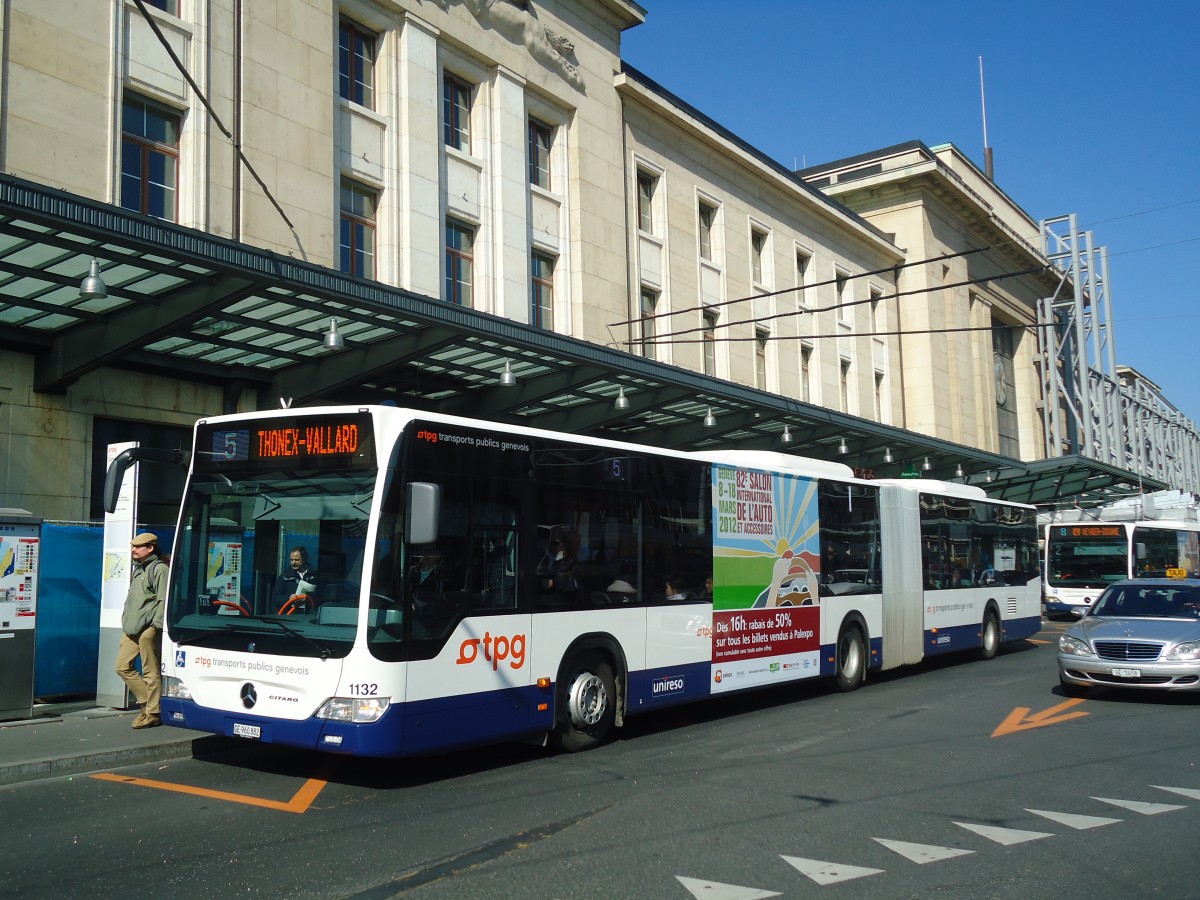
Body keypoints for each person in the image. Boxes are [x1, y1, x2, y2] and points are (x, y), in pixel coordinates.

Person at [115, 532, 169, 729]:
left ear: (151, 548)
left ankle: (152, 713)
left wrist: (154, 627)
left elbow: (164, 600)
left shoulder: (160, 569)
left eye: (138, 546)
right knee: (122, 666)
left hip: (148, 629)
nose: (134, 550)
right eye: (133, 546)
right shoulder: (138, 570)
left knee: (150, 671)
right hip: (132, 628)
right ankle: (148, 704)